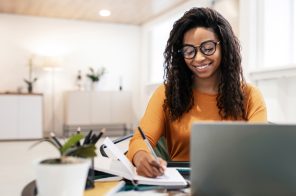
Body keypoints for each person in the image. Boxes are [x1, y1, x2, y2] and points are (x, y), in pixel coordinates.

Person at [126, 7, 267, 178]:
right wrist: (141, 158)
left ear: (225, 47)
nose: (198, 58)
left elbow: (260, 148)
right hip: (181, 185)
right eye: (189, 50)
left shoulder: (250, 95)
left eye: (208, 47)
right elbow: (140, 139)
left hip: (235, 181)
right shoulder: (166, 93)